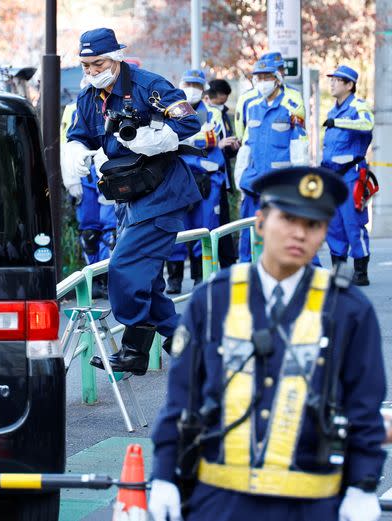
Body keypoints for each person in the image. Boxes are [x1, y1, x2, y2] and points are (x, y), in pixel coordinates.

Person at [149, 166, 386, 521]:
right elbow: (183, 398)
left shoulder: (349, 310)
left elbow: (363, 408)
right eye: (288, 218)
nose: (299, 234)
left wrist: (362, 485)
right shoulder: (214, 299)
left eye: (314, 225)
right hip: (219, 501)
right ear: (260, 222)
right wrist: (164, 475)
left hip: (312, 504)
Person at [62, 27, 201, 375]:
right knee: (149, 286)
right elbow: (78, 134)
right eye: (86, 65)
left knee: (123, 268)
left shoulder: (147, 84)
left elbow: (189, 120)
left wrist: (160, 137)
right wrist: (77, 152)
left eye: (99, 64)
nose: (92, 71)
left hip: (162, 192)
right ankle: (192, 349)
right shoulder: (88, 97)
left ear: (117, 57)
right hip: (128, 195)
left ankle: (134, 350)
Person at [237, 56, 308, 262]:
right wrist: (240, 178)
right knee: (248, 237)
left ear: (277, 79)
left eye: (266, 77)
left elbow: (299, 146)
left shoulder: (291, 106)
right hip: (253, 183)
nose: (262, 82)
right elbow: (246, 147)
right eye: (258, 77)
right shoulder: (252, 107)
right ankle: (247, 276)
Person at [166, 69, 226, 293]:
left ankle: (202, 277)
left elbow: (210, 139)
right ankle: (174, 278)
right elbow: (168, 139)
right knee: (176, 229)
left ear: (203, 89)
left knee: (206, 227)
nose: (192, 89)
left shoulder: (212, 112)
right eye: (188, 84)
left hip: (207, 179)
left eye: (197, 86)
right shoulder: (171, 111)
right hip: (178, 178)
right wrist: (193, 139)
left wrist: (184, 139)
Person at [321, 65, 374, 286]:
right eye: (331, 79)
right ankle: (339, 272)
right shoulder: (332, 111)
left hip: (352, 175)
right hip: (332, 177)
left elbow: (367, 123)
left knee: (353, 223)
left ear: (349, 85)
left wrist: (339, 122)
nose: (331, 83)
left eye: (337, 80)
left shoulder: (358, 107)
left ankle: (360, 271)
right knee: (334, 225)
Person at [61, 102, 117, 298]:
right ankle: (95, 279)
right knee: (89, 235)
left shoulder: (117, 98)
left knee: (112, 234)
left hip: (109, 170)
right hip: (84, 173)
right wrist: (70, 180)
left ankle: (111, 279)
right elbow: (66, 145)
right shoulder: (73, 108)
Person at [205, 79, 240, 268]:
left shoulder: (223, 114)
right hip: (206, 176)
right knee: (209, 222)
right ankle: (208, 266)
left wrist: (232, 147)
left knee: (224, 221)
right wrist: (218, 146)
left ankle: (228, 263)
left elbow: (226, 146)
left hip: (222, 176)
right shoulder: (203, 112)